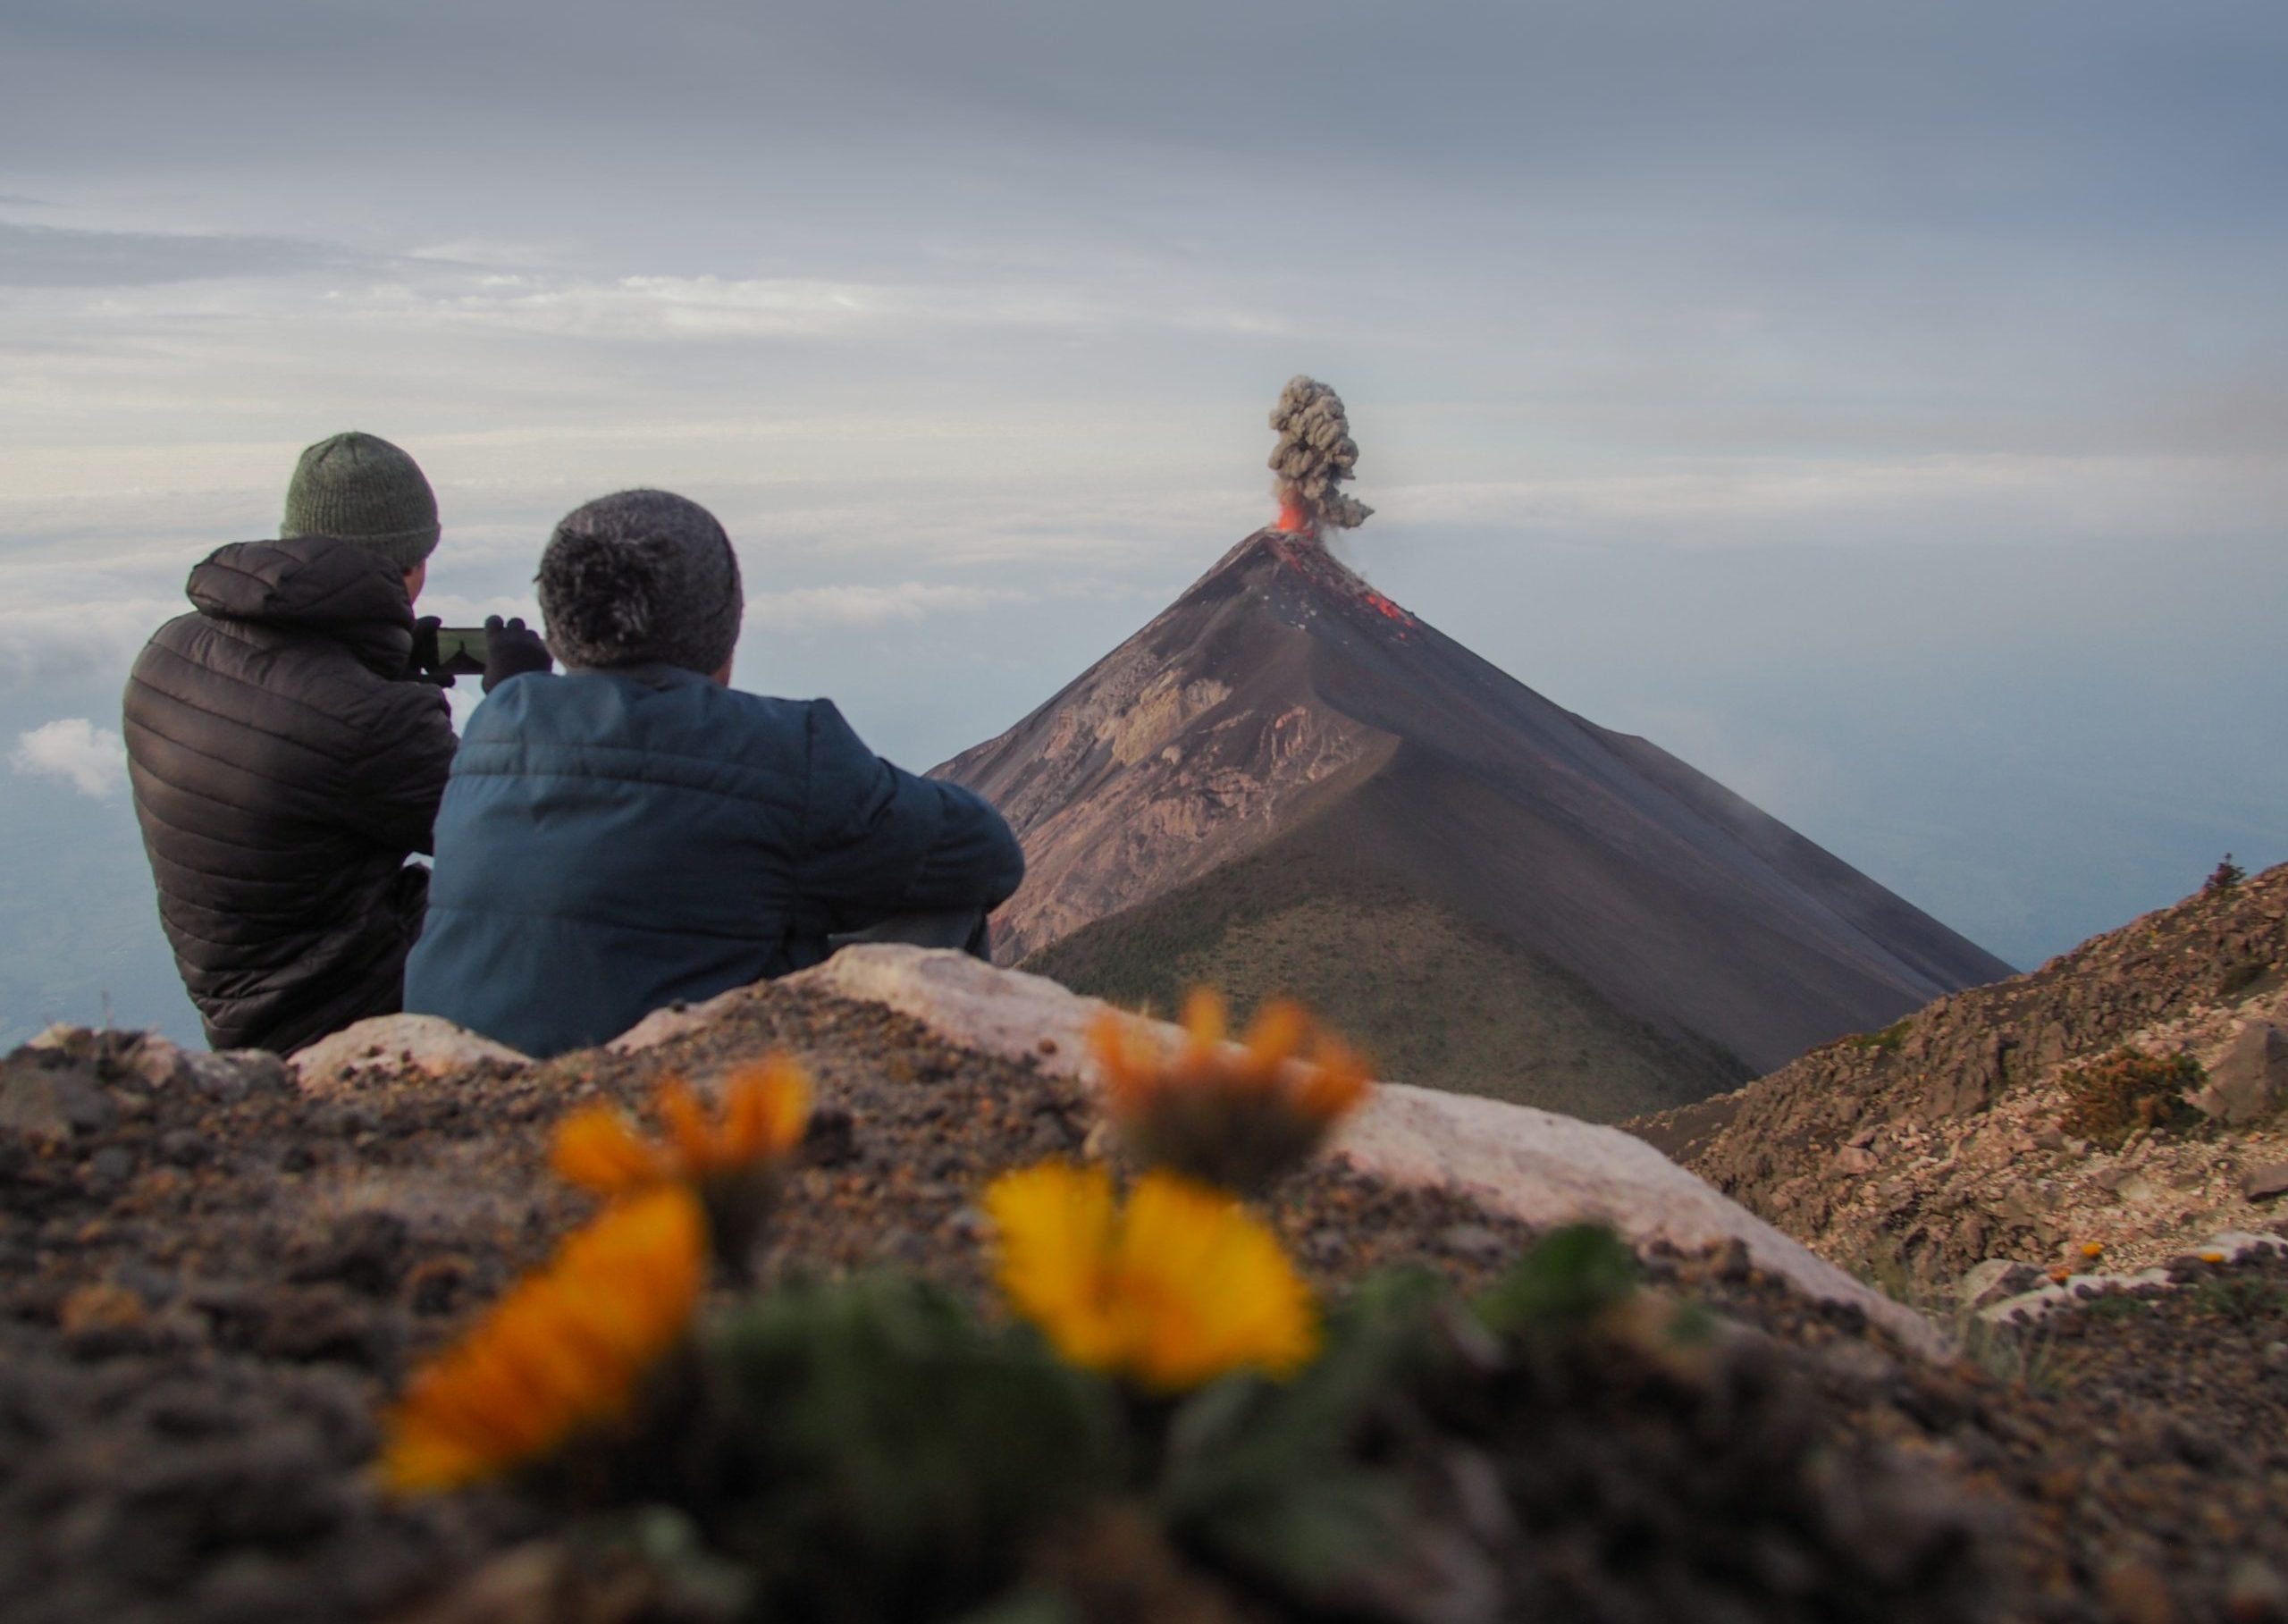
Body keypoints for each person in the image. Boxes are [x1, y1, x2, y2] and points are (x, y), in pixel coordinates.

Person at [404, 489, 1024, 1058]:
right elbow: (988, 854)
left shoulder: (494, 724)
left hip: (469, 1088)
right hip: (666, 1108)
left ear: (562, 625)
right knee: (940, 898)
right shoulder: (785, 749)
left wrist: (522, 689)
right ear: (722, 627)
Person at [122, 431, 551, 1053]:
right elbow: (515, 835)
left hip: (237, 996)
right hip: (338, 1005)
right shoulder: (371, 720)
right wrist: (521, 703)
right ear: (409, 564)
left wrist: (380, 664)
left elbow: (295, 735)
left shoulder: (169, 648)